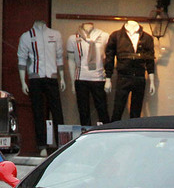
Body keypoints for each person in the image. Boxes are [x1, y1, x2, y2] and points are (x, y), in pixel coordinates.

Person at [18, 20, 65, 155]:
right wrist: (23, 82)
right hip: (35, 78)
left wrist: (61, 78)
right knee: (38, 113)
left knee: (57, 112)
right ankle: (42, 146)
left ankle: (62, 144)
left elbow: (59, 57)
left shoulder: (55, 35)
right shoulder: (27, 36)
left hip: (52, 77)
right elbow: (21, 60)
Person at [104, 20, 156, 121]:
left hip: (139, 77)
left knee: (136, 111)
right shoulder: (116, 36)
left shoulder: (147, 38)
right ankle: (114, 131)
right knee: (118, 109)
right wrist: (108, 78)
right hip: (123, 76)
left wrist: (152, 81)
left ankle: (134, 133)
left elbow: (150, 61)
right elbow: (109, 58)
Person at [67, 22, 110, 126]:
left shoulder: (104, 36)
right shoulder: (73, 39)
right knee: (83, 111)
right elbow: (71, 60)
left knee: (102, 110)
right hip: (81, 78)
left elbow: (109, 58)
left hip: (99, 78)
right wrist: (73, 82)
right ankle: (86, 135)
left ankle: (106, 135)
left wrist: (108, 79)